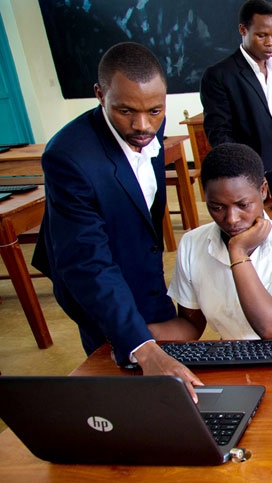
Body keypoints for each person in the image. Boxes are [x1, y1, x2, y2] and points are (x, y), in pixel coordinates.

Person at [31, 42, 203, 400]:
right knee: (121, 377)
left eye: (155, 111)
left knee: (166, 378)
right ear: (99, 95)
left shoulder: (149, 120)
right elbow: (88, 263)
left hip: (142, 266)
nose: (143, 126)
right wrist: (142, 347)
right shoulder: (68, 157)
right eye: (125, 111)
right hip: (95, 284)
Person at [167, 143, 272, 340]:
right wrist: (141, 336)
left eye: (243, 205)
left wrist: (238, 251)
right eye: (217, 207)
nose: (231, 219)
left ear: (263, 190)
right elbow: (191, 326)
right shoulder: (192, 243)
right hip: (235, 356)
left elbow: (271, 328)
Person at [200, 0, 272, 172]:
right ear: (242, 30)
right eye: (261, 35)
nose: (270, 42)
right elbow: (219, 133)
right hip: (247, 176)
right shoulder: (219, 76)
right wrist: (247, 171)